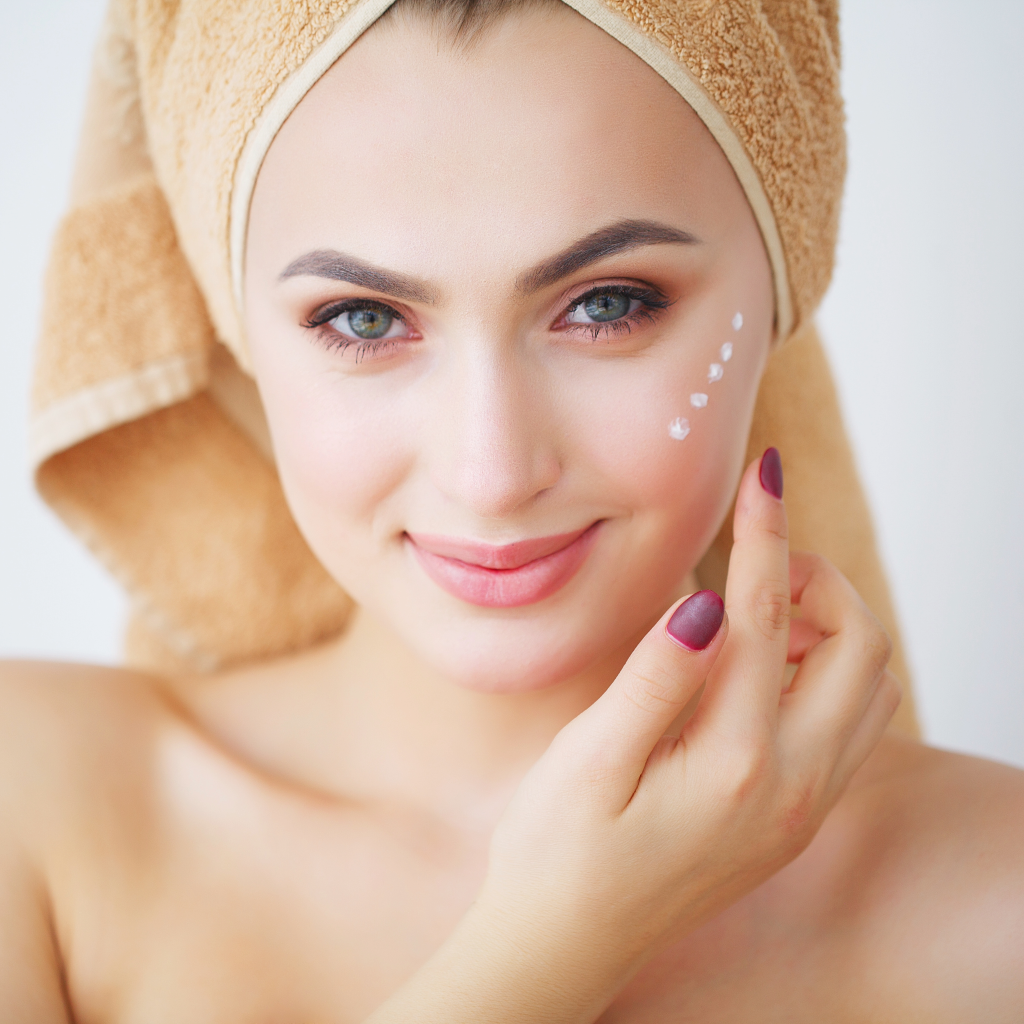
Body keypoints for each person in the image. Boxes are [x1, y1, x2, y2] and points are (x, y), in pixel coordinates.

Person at [4, 0, 1023, 1019]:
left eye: (608, 303)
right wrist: (565, 933)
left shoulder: (996, 907)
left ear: (782, 289)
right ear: (238, 335)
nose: (490, 472)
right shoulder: (31, 806)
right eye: (363, 319)